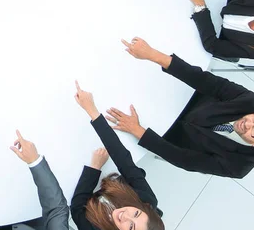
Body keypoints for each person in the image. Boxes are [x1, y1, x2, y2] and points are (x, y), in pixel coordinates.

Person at [106, 37, 254, 178]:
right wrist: (152, 54)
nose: (247, 124)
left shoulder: (239, 166)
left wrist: (136, 129)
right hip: (175, 98)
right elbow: (207, 81)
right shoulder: (250, 101)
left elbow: (183, 159)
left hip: (163, 133)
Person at [73, 82, 164, 230]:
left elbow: (77, 209)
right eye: (136, 214)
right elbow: (122, 158)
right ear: (143, 208)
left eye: (131, 227)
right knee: (133, 171)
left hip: (88, 196)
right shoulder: (147, 199)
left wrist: (94, 168)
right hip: (114, 186)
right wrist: (92, 111)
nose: (125, 216)